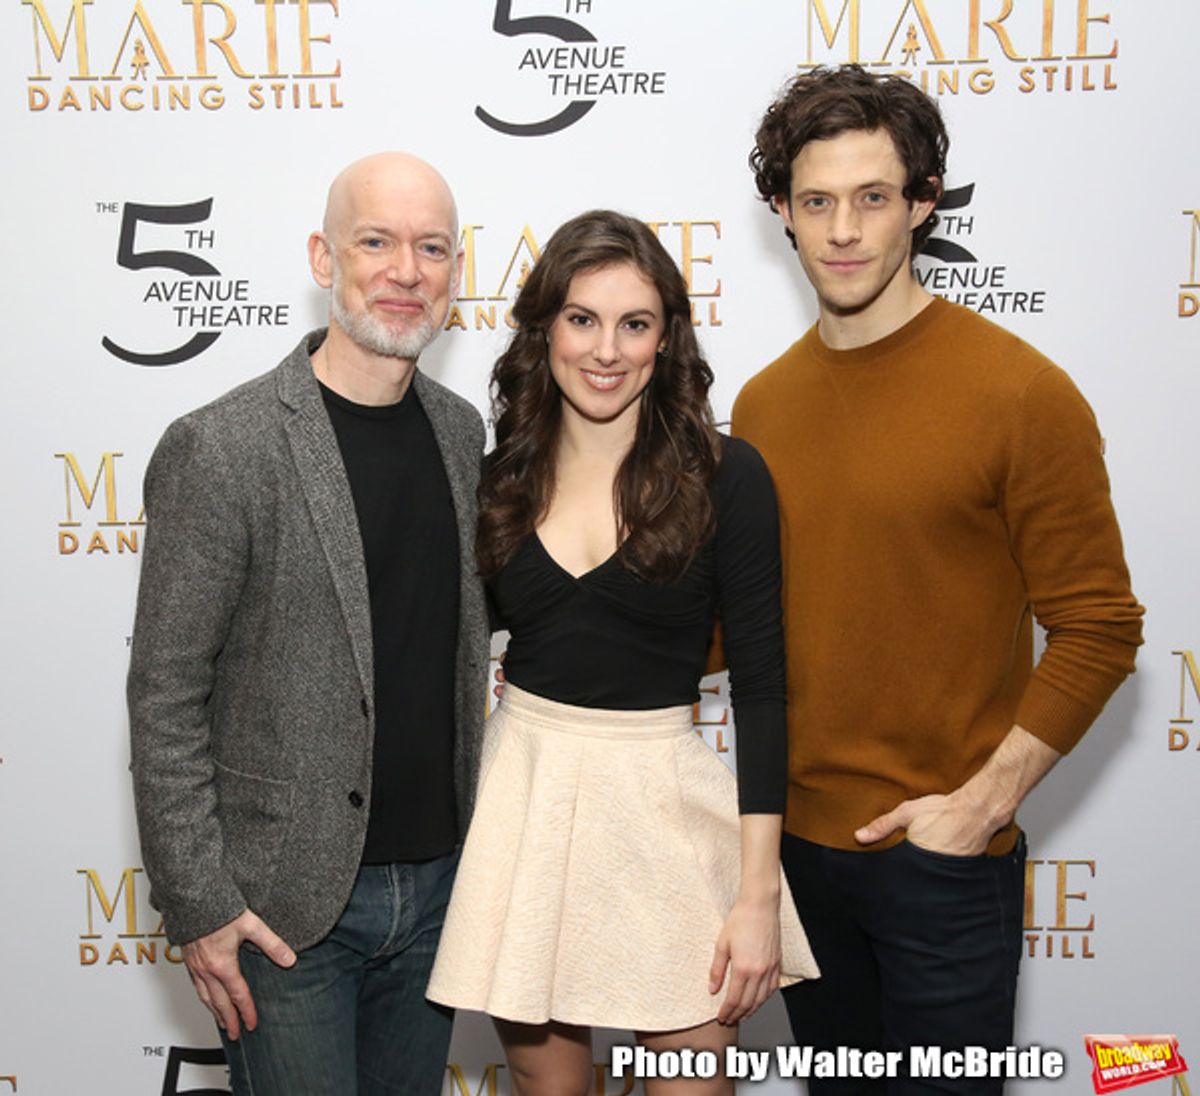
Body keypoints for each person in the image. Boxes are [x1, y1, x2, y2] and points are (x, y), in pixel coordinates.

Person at [735, 65, 1144, 1091]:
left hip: (941, 869)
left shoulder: (1020, 393)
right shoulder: (763, 404)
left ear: (923, 201)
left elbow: (1098, 625)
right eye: (817, 200)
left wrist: (977, 806)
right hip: (794, 863)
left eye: (873, 198)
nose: (842, 230)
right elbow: (745, 623)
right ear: (781, 208)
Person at [426, 210, 818, 1095]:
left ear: (666, 338)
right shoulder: (496, 480)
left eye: (634, 323)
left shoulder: (727, 475)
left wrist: (757, 896)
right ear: (545, 329)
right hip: (526, 801)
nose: (607, 349)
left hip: (666, 809)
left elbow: (762, 690)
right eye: (582, 319)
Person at [127, 151, 489, 1095]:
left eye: (432, 248)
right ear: (324, 259)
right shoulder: (223, 447)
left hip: (441, 896)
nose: (407, 271)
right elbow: (165, 695)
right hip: (284, 915)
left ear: (457, 271)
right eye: (377, 241)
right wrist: (201, 904)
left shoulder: (462, 435)